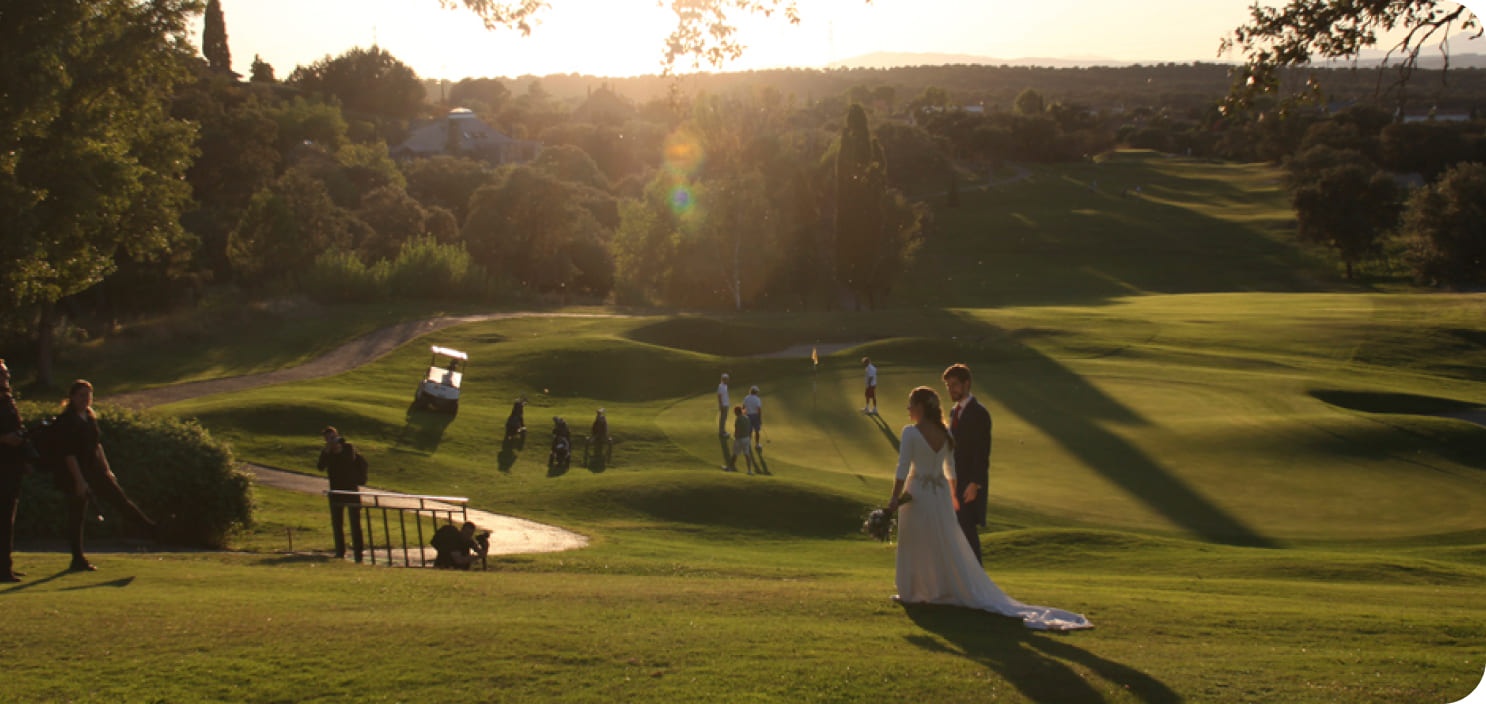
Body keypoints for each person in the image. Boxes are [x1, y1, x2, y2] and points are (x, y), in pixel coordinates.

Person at [888, 387, 1091, 631]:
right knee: (941, 540)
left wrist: (893, 498)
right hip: (939, 493)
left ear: (920, 407)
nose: (908, 410)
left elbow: (902, 468)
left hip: (918, 492)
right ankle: (935, 589)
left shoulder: (910, 433)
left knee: (916, 540)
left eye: (911, 405)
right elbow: (950, 469)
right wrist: (952, 495)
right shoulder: (945, 432)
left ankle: (913, 591)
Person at [56, 380, 158, 572]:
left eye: (88, 395)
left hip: (94, 470)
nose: (86, 399)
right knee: (77, 516)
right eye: (81, 395)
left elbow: (96, 445)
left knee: (120, 500)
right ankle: (77, 559)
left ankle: (150, 529)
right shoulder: (67, 421)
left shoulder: (89, 417)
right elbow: (68, 454)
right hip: (76, 472)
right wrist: (79, 480)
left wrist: (107, 469)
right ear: (72, 397)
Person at [943, 363, 992, 563]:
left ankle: (977, 583)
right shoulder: (954, 412)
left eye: (954, 385)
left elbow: (982, 452)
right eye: (948, 386)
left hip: (969, 485)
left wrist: (975, 483)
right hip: (955, 482)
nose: (951, 389)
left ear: (966, 383)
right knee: (957, 532)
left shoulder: (979, 413)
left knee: (968, 533)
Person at [317, 426, 366, 563]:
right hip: (336, 491)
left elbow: (349, 460)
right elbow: (320, 467)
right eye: (328, 439)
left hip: (351, 491)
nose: (331, 440)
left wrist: (338, 448)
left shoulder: (348, 447)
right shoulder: (327, 452)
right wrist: (327, 451)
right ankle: (340, 550)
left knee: (355, 523)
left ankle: (358, 550)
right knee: (337, 523)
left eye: (333, 437)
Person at [0, 360, 26, 582]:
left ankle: (5, 563)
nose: (5, 378)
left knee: (7, 518)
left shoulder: (7, 400)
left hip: (11, 465)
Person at [723, 406, 758, 475]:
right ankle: (749, 471)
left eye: (735, 411)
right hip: (747, 438)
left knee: (735, 454)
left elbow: (737, 430)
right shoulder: (747, 418)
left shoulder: (738, 419)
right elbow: (750, 429)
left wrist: (735, 437)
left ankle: (729, 468)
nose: (734, 413)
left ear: (737, 412)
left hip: (740, 439)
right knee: (747, 454)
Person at [743, 386, 763, 450]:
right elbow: (759, 409)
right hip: (755, 416)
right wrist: (759, 418)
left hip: (747, 416)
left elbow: (743, 407)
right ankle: (757, 445)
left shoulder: (746, 398)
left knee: (749, 431)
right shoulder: (757, 399)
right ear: (756, 392)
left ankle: (748, 444)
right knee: (757, 431)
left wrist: (744, 415)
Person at [717, 373, 731, 438]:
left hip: (726, 404)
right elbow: (719, 396)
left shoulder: (725, 386)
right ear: (724, 379)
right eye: (727, 379)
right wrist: (721, 404)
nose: (728, 380)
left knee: (724, 418)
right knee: (722, 419)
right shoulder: (721, 386)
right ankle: (721, 432)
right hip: (723, 405)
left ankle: (723, 431)